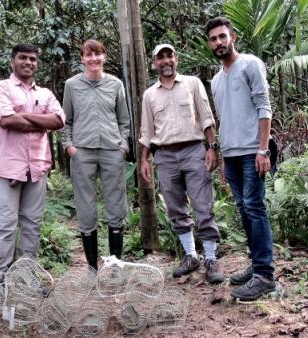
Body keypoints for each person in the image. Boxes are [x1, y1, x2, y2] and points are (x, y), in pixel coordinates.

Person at [139, 43, 224, 284]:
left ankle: (210, 258)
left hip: (193, 150)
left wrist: (211, 148)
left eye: (169, 56)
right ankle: (190, 256)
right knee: (175, 207)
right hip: (164, 155)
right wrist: (144, 158)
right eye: (160, 58)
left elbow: (206, 117)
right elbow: (146, 130)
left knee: (202, 204)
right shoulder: (150, 95)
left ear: (176, 59)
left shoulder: (192, 84)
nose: (165, 61)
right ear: (154, 63)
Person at [205, 17, 276, 300]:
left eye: (223, 36)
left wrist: (263, 149)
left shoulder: (250, 64)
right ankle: (257, 264)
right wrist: (223, 157)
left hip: (252, 151)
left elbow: (264, 106)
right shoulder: (216, 80)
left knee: (254, 207)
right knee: (244, 209)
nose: (219, 42)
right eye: (213, 39)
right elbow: (225, 120)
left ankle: (265, 275)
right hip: (232, 154)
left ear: (233, 36)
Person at [0, 43, 65, 283]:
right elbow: (6, 120)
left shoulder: (45, 94)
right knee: (4, 225)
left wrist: (24, 116)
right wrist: (41, 121)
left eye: (32, 59)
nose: (28, 62)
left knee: (31, 225)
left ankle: (24, 277)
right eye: (23, 58)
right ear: (12, 61)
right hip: (9, 168)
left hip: (37, 167)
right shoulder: (1, 88)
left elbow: (59, 121)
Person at [62, 39, 130, 271]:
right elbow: (66, 120)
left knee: (115, 206)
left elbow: (124, 120)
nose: (93, 59)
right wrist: (69, 146)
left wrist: (123, 146)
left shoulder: (116, 84)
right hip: (82, 152)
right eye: (88, 55)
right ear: (82, 59)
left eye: (97, 54)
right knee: (86, 208)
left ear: (104, 57)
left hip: (112, 150)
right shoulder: (72, 85)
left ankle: (115, 265)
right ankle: (92, 267)